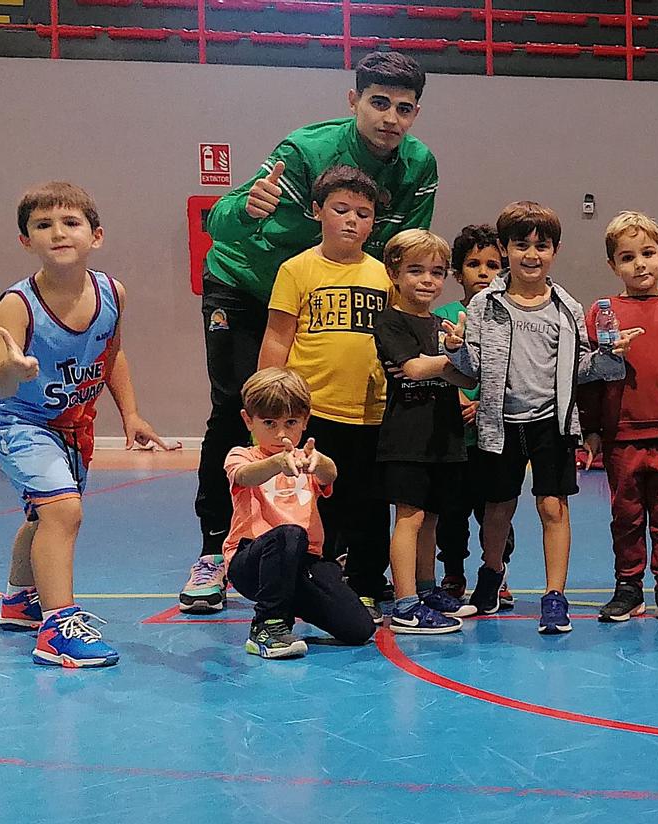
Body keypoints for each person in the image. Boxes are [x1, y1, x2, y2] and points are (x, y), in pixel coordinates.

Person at [184, 52, 439, 614]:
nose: (389, 118)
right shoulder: (304, 150)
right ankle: (215, 551)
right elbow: (219, 219)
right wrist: (246, 207)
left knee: (326, 431)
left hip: (336, 294)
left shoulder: (420, 166)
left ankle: (327, 548)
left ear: (415, 113)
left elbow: (405, 255)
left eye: (403, 108)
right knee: (240, 407)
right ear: (354, 102)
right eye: (378, 103)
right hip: (248, 283)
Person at [0, 181, 177, 668]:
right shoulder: (18, 303)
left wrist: (130, 414)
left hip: (73, 424)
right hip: (20, 420)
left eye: (70, 223)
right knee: (64, 512)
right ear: (26, 240)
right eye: (43, 225)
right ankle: (57, 628)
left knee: (45, 515)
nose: (58, 232)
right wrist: (14, 369)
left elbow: (112, 355)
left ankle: (19, 600)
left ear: (96, 235)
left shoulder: (113, 293)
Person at [449, 201, 631, 634]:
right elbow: (473, 366)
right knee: (498, 508)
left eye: (542, 246)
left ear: (556, 250)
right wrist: (455, 349)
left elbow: (580, 368)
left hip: (551, 423)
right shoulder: (483, 306)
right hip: (500, 423)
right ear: (506, 248)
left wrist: (610, 357)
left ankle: (554, 596)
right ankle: (490, 580)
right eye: (521, 245)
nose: (532, 254)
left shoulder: (568, 307)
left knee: (553, 507)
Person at [257, 166, 395, 618]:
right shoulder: (296, 269)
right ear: (318, 212)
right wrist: (267, 398)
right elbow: (279, 336)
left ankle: (371, 582)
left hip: (371, 410)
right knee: (317, 501)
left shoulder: (381, 275)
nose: (352, 221)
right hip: (317, 410)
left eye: (363, 213)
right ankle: (319, 581)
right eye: (341, 210)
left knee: (370, 502)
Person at [577, 212, 658, 626]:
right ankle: (628, 586)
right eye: (628, 257)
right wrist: (592, 430)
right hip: (621, 435)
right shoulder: (601, 314)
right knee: (626, 516)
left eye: (648, 254)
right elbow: (587, 378)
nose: (640, 265)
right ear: (613, 265)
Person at [221, 368, 377, 658]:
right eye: (269, 423)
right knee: (289, 534)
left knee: (359, 628)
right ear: (248, 421)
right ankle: (266, 626)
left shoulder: (308, 460)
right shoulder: (242, 456)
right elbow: (244, 476)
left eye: (290, 422)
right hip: (251, 561)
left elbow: (330, 474)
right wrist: (277, 463)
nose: (281, 434)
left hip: (301, 562)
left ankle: (287, 604)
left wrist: (318, 463)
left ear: (305, 421)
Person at [374, 228, 474, 634]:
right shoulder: (390, 321)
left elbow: (467, 376)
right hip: (407, 436)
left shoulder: (441, 323)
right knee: (410, 518)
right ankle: (404, 602)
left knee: (431, 517)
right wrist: (452, 359)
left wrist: (457, 359)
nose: (427, 280)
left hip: (443, 433)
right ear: (394, 273)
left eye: (436, 272)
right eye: (416, 270)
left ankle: (427, 588)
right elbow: (414, 367)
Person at [430, 224, 514, 606]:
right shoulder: (443, 316)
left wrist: (483, 404)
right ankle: (452, 572)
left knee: (495, 507)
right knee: (451, 511)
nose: (484, 273)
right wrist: (456, 401)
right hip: (451, 439)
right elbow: (437, 368)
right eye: (474, 264)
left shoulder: (508, 317)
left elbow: (515, 373)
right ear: (457, 272)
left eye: (493, 265)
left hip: (493, 437)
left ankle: (496, 570)